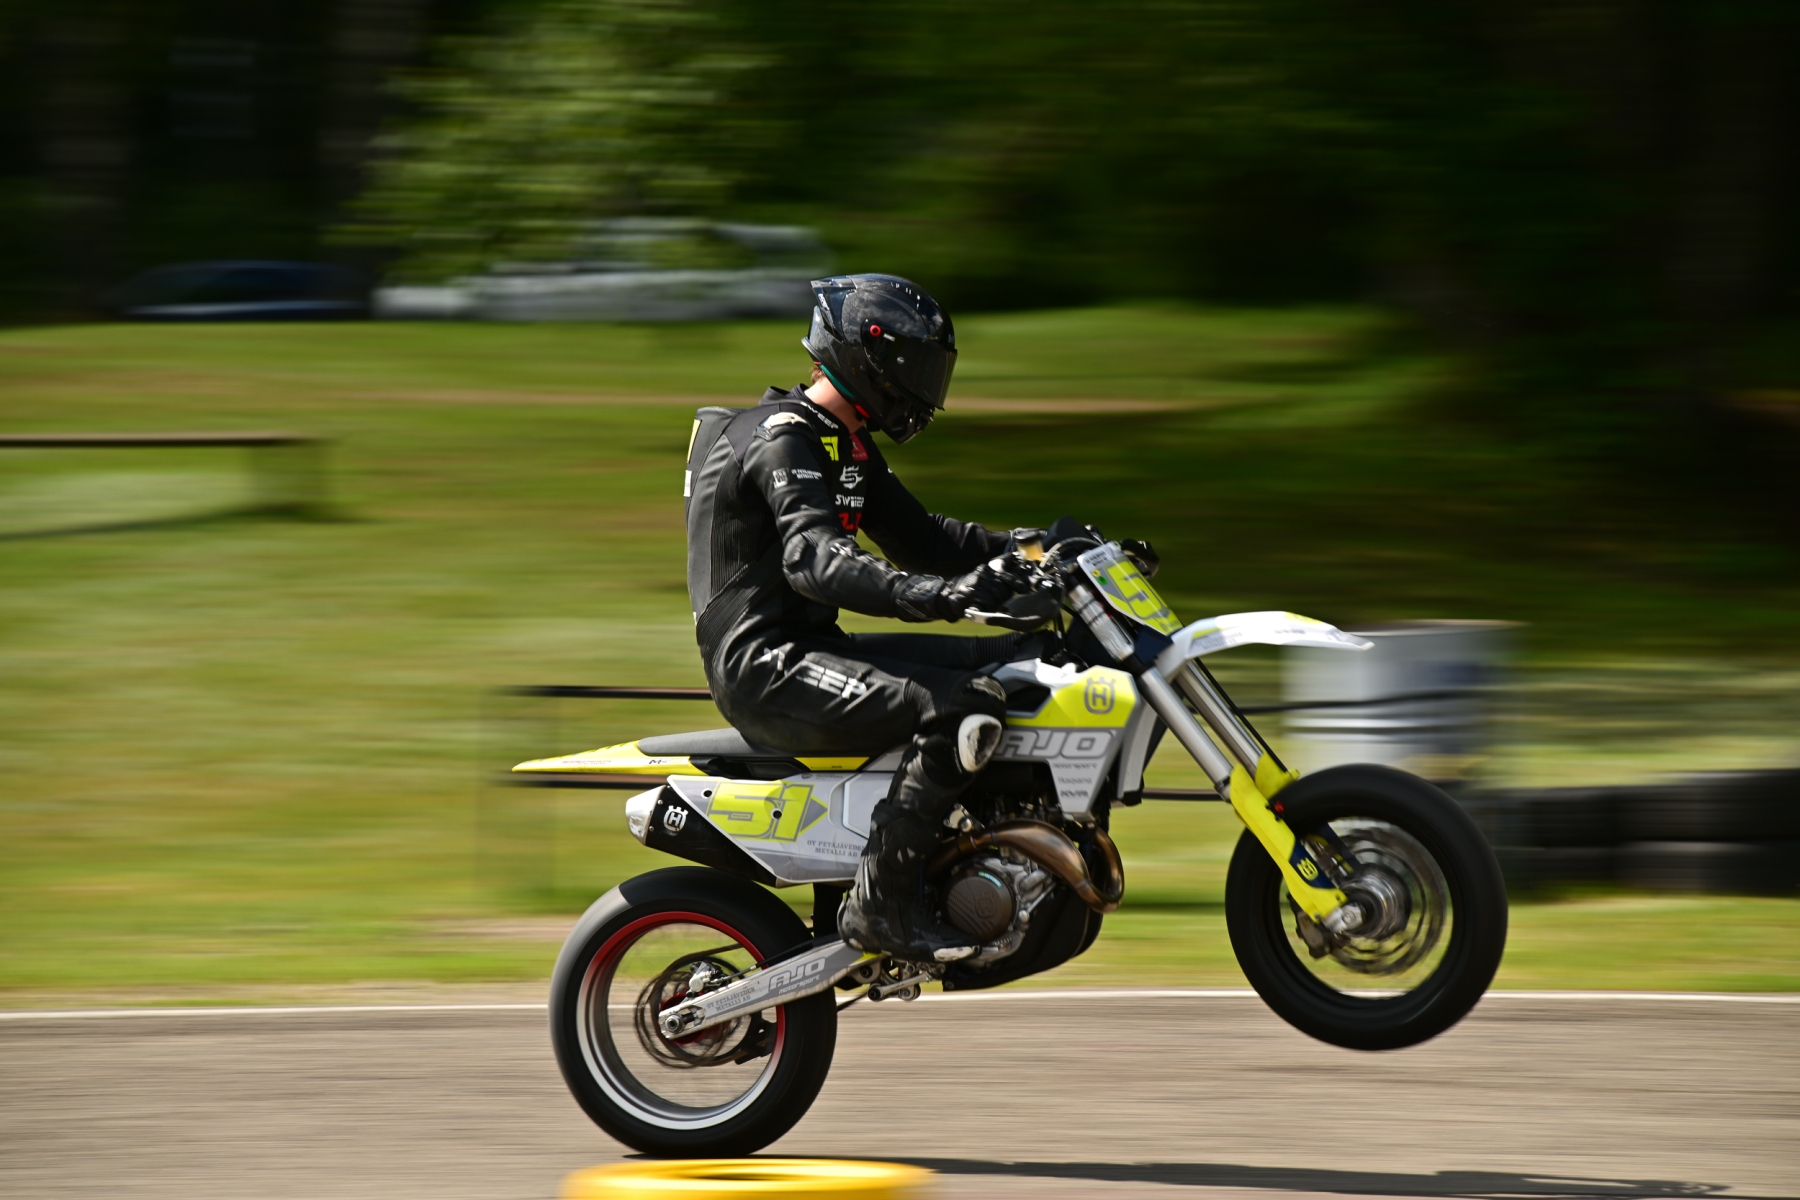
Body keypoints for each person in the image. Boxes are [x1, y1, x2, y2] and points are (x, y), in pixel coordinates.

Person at [682, 273, 1042, 963]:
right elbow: (815, 560)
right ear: (866, 356)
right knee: (956, 707)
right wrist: (939, 597)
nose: (926, 387)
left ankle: (983, 857)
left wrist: (1042, 550)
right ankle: (882, 903)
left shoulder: (844, 442)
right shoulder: (781, 437)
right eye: (916, 367)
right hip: (764, 666)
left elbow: (928, 541)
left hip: (811, 648)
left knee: (1017, 665)